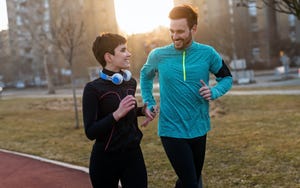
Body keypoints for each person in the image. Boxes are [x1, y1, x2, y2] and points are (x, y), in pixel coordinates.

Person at [140, 4, 233, 188]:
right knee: (191, 183)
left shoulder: (208, 53)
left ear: (194, 29)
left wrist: (213, 91)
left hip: (199, 127)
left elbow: (226, 78)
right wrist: (149, 102)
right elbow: (145, 76)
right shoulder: (158, 55)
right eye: (172, 31)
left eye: (180, 31)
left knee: (190, 180)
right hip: (171, 129)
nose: (175, 36)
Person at [82, 33, 155, 188]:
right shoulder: (92, 89)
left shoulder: (130, 83)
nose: (129, 54)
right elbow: (91, 131)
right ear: (109, 57)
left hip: (133, 154)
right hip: (105, 160)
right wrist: (116, 114)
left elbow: (128, 111)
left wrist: (142, 111)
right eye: (123, 50)